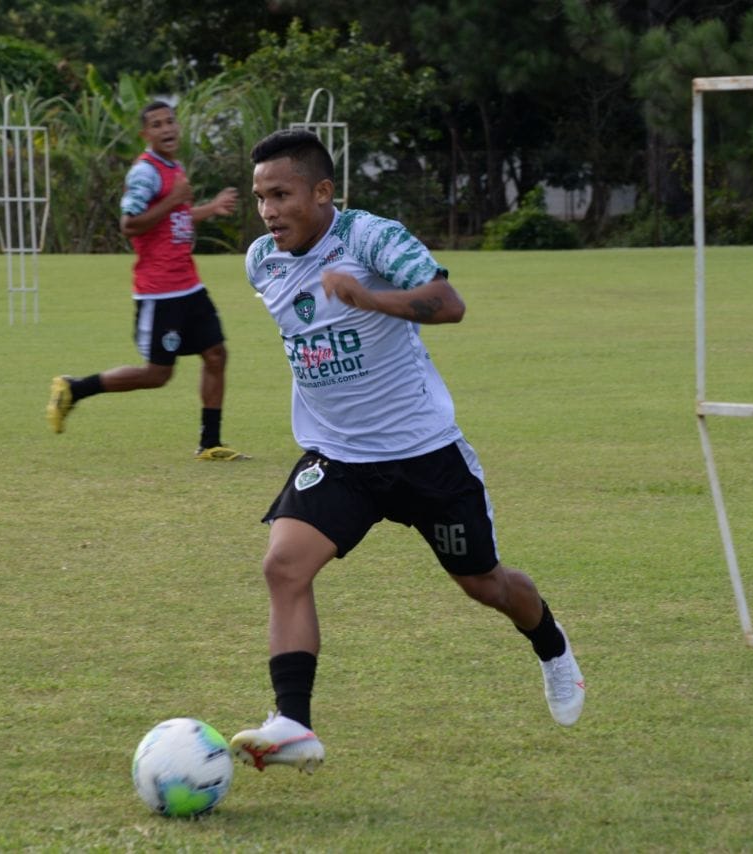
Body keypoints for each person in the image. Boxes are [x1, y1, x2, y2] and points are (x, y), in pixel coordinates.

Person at [228, 129, 585, 774]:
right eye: (260, 198)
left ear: (322, 191)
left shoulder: (372, 239)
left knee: (485, 584)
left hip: (424, 454)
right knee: (284, 567)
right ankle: (294, 725)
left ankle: (552, 645)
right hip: (338, 457)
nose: (268, 211)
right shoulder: (261, 260)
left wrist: (370, 299)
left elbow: (449, 305)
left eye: (281, 194)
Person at [45, 100, 249, 461]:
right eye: (156, 124)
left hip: (190, 285)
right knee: (157, 374)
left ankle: (210, 442)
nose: (166, 128)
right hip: (160, 291)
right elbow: (130, 224)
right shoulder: (145, 173)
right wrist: (174, 199)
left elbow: (176, 219)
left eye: (170, 121)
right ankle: (74, 389)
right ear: (145, 134)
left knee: (216, 354)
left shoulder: (174, 167)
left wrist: (207, 209)